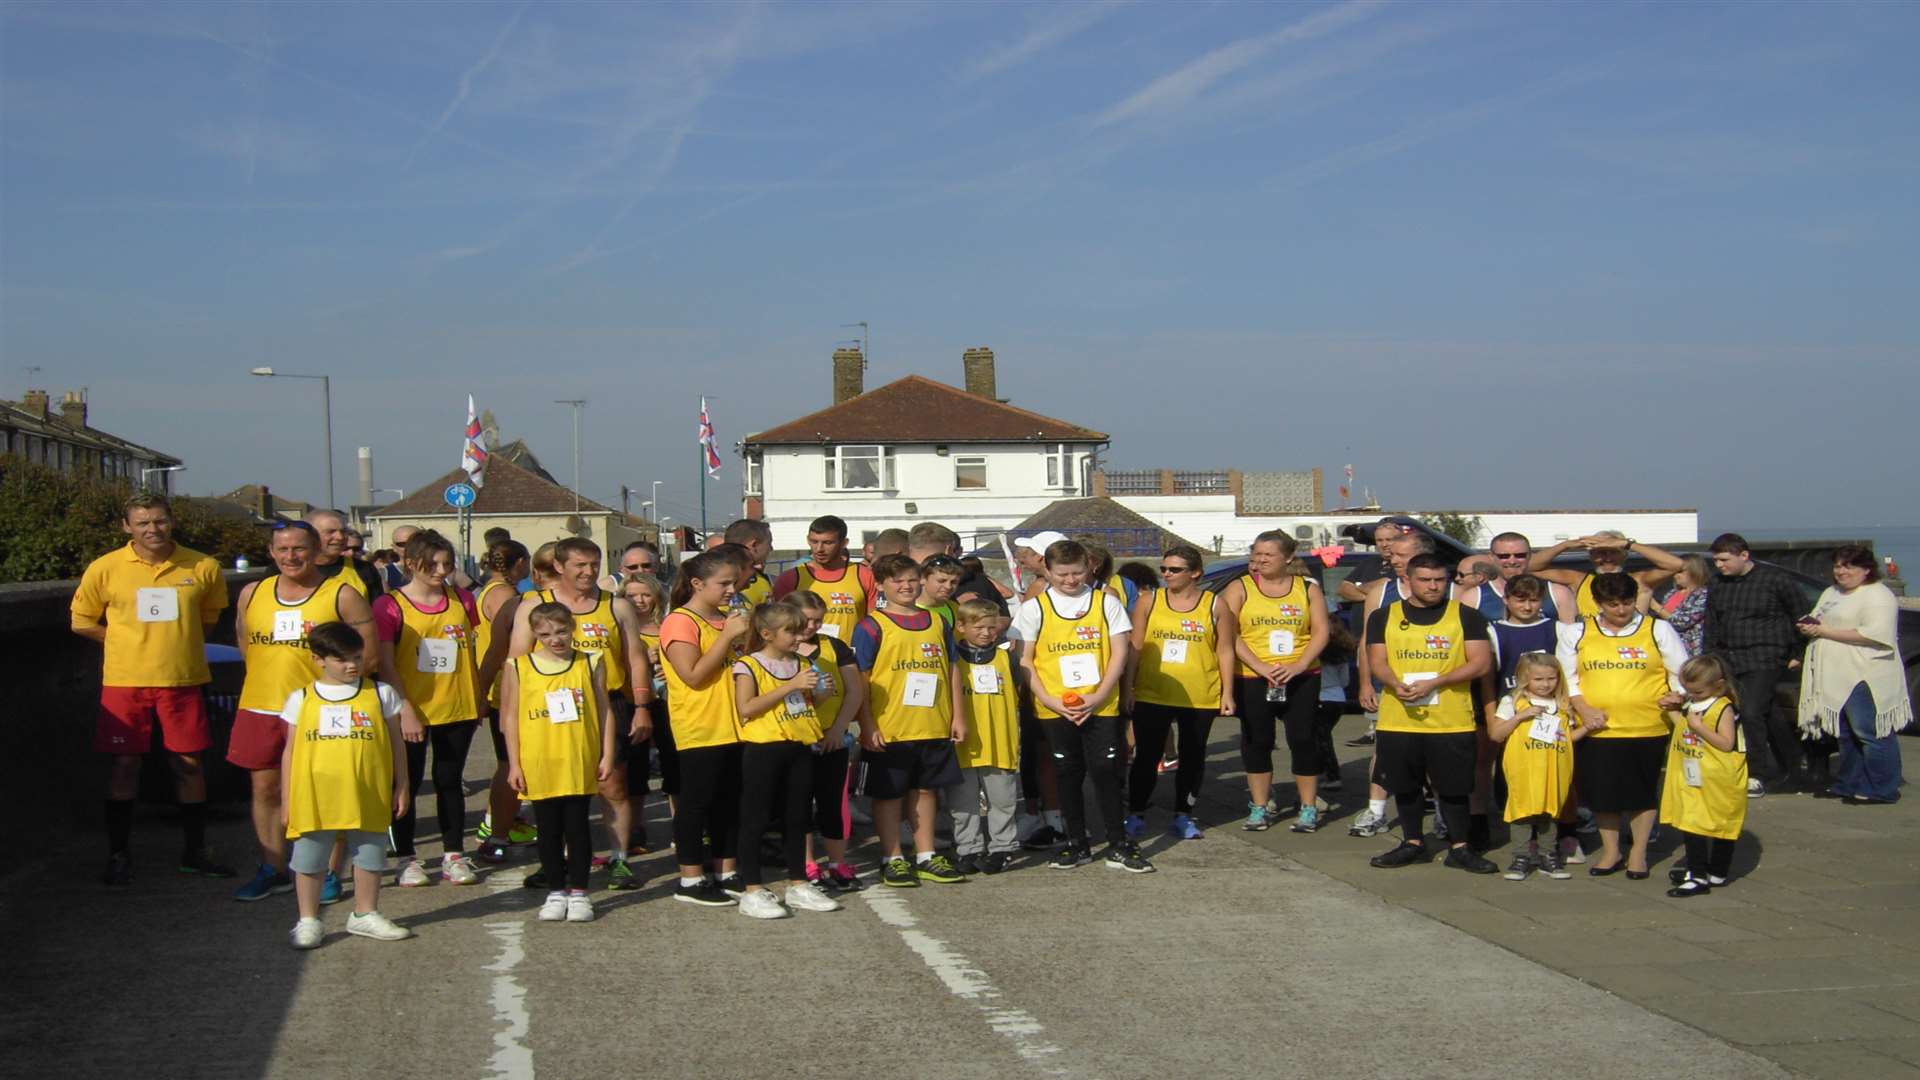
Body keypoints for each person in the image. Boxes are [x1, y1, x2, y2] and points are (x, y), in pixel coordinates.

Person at [71, 492, 234, 887]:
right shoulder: (105, 568)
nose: (152, 529)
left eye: (159, 521)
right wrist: (126, 642)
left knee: (189, 764)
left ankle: (195, 851)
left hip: (182, 679)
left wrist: (173, 643)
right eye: (142, 522)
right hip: (126, 682)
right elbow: (81, 621)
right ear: (127, 526)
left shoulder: (203, 566)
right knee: (125, 764)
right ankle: (118, 854)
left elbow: (208, 618)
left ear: (171, 521)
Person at [229, 522, 376, 902]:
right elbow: (246, 644)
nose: (291, 557)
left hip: (323, 708)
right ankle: (273, 867)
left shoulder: (341, 595)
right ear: (271, 552)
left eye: (299, 549)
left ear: (315, 551)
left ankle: (328, 872)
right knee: (265, 788)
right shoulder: (252, 592)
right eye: (283, 549)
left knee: (328, 789)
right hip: (261, 704)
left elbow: (368, 654)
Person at [508, 538, 655, 890]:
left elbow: (635, 657)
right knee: (552, 790)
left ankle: (619, 859)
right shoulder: (533, 604)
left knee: (612, 784)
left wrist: (641, 707)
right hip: (549, 709)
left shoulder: (616, 606)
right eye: (580, 565)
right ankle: (553, 862)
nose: (589, 572)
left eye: (594, 564)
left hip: (606, 704)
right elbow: (515, 658)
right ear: (559, 567)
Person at [1013, 540, 1152, 873]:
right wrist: (1048, 700)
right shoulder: (1034, 608)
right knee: (1067, 773)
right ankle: (1077, 843)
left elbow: (1120, 652)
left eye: (1077, 573)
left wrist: (1100, 695)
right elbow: (1025, 660)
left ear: (1089, 568)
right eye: (1062, 574)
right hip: (1055, 707)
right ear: (1047, 570)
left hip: (1100, 704)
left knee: (1107, 772)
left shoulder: (1106, 603)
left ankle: (1118, 844)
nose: (1071, 580)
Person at [279, 622, 413, 948]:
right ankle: (308, 920)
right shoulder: (301, 699)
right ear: (318, 659)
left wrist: (403, 785)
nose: (351, 665)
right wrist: (286, 799)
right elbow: (290, 752)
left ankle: (365, 914)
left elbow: (397, 744)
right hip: (314, 796)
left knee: (369, 855)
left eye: (356, 657)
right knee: (309, 859)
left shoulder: (381, 694)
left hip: (368, 792)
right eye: (341, 659)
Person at [1364, 552, 1498, 874]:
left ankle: (1459, 847)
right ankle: (1412, 842)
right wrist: (1395, 684)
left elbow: (1480, 663)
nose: (1433, 586)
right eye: (1425, 580)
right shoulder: (1384, 616)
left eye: (1440, 580)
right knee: (1405, 785)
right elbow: (1377, 660)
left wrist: (1437, 681)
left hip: (1451, 719)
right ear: (1408, 580)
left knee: (1454, 787)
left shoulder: (1466, 616)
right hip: (1399, 718)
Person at [1558, 570, 1690, 878]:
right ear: (1598, 603)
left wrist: (1677, 694)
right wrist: (1583, 707)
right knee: (1603, 793)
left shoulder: (1658, 630)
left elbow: (1681, 672)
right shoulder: (1576, 632)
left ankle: (1639, 853)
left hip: (1647, 726)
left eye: (1627, 603)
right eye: (1613, 604)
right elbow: (1566, 677)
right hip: (1597, 728)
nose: (1620, 610)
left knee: (1641, 792)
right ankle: (1611, 851)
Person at [372, 531, 483, 887]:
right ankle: (406, 857)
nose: (440, 571)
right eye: (431, 564)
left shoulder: (463, 600)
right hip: (412, 707)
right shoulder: (389, 605)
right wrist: (404, 708)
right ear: (410, 563)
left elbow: (472, 650)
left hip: (457, 705)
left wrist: (478, 696)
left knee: (449, 781)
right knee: (406, 782)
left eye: (446, 564)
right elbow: (385, 664)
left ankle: (454, 853)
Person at [854, 554, 969, 886]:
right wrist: (868, 725)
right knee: (889, 794)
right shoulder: (871, 626)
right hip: (890, 727)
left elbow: (951, 669)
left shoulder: (937, 622)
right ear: (880, 585)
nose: (905, 586)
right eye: (896, 581)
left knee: (927, 790)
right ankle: (892, 857)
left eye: (910, 579)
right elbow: (861, 679)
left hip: (932, 722)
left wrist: (957, 715)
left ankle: (926, 855)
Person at [502, 602, 617, 923]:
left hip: (577, 756)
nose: (555, 639)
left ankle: (579, 892)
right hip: (539, 759)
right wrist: (514, 763)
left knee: (578, 826)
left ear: (572, 628)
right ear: (535, 635)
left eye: (561, 631)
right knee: (549, 828)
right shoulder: (518, 666)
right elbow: (510, 717)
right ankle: (556, 890)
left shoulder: (590, 661)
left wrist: (607, 754)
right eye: (545, 634)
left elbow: (604, 711)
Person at [730, 601, 844, 919]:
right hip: (764, 748)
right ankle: (751, 887)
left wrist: (820, 692)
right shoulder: (749, 665)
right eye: (790, 631)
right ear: (767, 633)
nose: (798, 637)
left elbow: (805, 701)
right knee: (756, 818)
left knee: (798, 817)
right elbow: (747, 708)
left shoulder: (801, 663)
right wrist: (789, 686)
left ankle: (798, 883)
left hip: (798, 746)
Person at [1215, 531, 1331, 833]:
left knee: (1303, 738)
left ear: (1288, 558)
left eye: (1268, 555)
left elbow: (1320, 631)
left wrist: (1299, 664)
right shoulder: (1239, 587)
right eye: (1257, 554)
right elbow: (1229, 634)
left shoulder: (1307, 589)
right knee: (1258, 740)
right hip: (1254, 676)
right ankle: (1260, 805)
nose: (1261, 560)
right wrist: (1260, 665)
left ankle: (1307, 806)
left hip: (1301, 675)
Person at [659, 550, 749, 906]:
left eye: (734, 582)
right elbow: (692, 675)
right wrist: (727, 638)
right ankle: (690, 878)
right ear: (697, 584)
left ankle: (726, 871)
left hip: (735, 726)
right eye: (723, 583)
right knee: (696, 804)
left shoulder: (727, 620)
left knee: (729, 803)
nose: (732, 589)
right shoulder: (681, 621)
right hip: (699, 727)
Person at [1700, 532, 1813, 795]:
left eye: (1724, 560)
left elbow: (1802, 615)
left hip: (1766, 655)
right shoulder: (1717, 583)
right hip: (1729, 658)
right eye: (1716, 560)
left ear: (1744, 555)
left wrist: (1798, 651)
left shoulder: (1775, 580)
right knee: (1767, 713)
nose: (1719, 565)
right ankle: (1794, 765)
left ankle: (1757, 773)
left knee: (1751, 712)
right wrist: (1711, 658)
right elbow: (1712, 622)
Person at [1797, 546, 1908, 804]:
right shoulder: (1830, 592)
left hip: (1866, 674)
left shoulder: (1878, 595)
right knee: (1845, 734)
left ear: (1866, 569)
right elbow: (1818, 618)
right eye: (1838, 566)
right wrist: (1808, 626)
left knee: (1869, 732)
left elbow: (1874, 634)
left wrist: (1824, 632)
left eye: (1848, 566)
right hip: (1835, 674)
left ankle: (1882, 788)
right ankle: (1848, 783)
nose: (1841, 572)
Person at [1126, 545, 1219, 840]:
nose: (1167, 574)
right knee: (1146, 756)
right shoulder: (1148, 600)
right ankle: (1136, 812)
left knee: (1193, 757)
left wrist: (1227, 692)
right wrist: (1129, 686)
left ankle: (1184, 814)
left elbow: (1225, 649)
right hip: (1153, 691)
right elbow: (1135, 646)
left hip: (1199, 693)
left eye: (1174, 570)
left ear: (1195, 573)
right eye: (1164, 569)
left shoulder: (1214, 603)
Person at [788, 590, 866, 891]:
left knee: (834, 803)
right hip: (796, 739)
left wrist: (838, 728)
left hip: (832, 738)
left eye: (818, 621)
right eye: (806, 620)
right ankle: (807, 863)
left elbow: (854, 691)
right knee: (799, 804)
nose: (811, 627)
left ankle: (837, 863)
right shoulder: (780, 649)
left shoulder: (834, 647)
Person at [1487, 652, 1584, 881]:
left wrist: (1590, 727)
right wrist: (1520, 717)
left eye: (1551, 678)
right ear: (1524, 678)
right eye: (1538, 679)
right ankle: (1521, 856)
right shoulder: (1512, 702)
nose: (1545, 684)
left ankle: (1548, 856)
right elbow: (1496, 734)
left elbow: (1568, 737)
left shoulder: (1562, 705)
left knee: (1549, 810)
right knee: (1523, 810)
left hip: (1553, 768)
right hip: (1524, 768)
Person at [471, 540, 538, 864]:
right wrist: (482, 691)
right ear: (521, 562)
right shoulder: (504, 595)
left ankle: (504, 820)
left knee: (510, 763)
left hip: (502, 680)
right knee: (508, 764)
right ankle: (497, 824)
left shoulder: (492, 589)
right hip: (505, 683)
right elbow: (503, 644)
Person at [947, 598, 1022, 874]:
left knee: (1002, 800)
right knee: (962, 803)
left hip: (999, 742)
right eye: (978, 627)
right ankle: (968, 848)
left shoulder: (1007, 658)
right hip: (964, 744)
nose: (986, 633)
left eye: (991, 627)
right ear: (962, 626)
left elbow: (1020, 693)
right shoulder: (952, 659)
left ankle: (1003, 847)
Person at [1663, 656, 1748, 897]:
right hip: (1694, 774)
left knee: (1720, 825)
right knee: (1692, 823)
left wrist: (1700, 727)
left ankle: (1713, 873)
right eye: (1688, 690)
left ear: (1718, 685)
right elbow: (1685, 727)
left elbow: (1726, 742)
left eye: (1698, 691)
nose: (1692, 695)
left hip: (1717, 777)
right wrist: (1672, 711)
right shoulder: (1694, 703)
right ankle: (1699, 871)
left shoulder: (1723, 708)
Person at [1526, 531, 1683, 618]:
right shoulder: (1578, 579)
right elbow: (1530, 567)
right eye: (1601, 553)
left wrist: (1629, 544)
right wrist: (1566, 545)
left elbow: (1676, 564)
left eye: (1613, 552)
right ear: (1591, 556)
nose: (1607, 558)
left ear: (1624, 555)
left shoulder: (1638, 580)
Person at [772, 515, 878, 643]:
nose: (819, 549)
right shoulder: (790, 578)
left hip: (850, 658)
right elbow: (778, 625)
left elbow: (873, 623)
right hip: (804, 657)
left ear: (844, 543)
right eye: (814, 541)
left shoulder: (864, 575)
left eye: (828, 543)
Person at [1484, 532, 1575, 624]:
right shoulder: (1474, 597)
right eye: (1504, 556)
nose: (1512, 561)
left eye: (1520, 555)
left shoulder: (1558, 593)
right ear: (1491, 557)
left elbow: (1571, 635)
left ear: (1530, 555)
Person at [307, 509, 384, 598]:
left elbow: (376, 609)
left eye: (343, 531)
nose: (340, 537)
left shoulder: (364, 569)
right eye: (331, 532)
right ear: (310, 535)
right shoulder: (294, 570)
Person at [1656, 554, 1713, 657]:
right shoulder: (1671, 593)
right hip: (1668, 647)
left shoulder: (1703, 594)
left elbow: (1682, 622)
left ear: (1694, 571)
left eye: (1680, 572)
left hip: (1690, 651)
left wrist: (1655, 606)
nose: (1676, 575)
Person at [725, 519, 777, 606]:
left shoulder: (762, 580)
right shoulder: (714, 578)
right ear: (754, 545)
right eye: (769, 543)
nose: (771, 549)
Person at [917, 554, 965, 627]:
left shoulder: (957, 610)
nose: (948, 587)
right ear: (922, 579)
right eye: (941, 581)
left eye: (954, 582)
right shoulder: (903, 611)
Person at [382, 524, 421, 590]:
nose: (409, 547)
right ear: (394, 547)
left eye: (414, 542)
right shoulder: (385, 573)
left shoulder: (439, 570)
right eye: (403, 544)